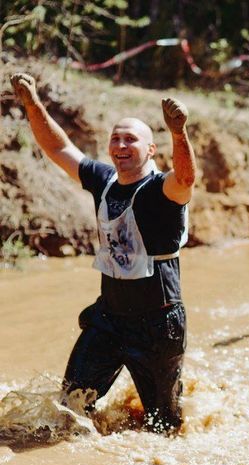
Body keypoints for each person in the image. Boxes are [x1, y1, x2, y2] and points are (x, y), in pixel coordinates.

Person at [11, 72, 196, 433]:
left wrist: (178, 132)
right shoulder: (105, 180)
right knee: (68, 410)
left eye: (131, 140)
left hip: (159, 327)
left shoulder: (162, 191)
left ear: (150, 150)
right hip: (109, 320)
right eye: (116, 139)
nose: (121, 146)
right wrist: (32, 105)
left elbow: (186, 179)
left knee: (164, 428)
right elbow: (58, 148)